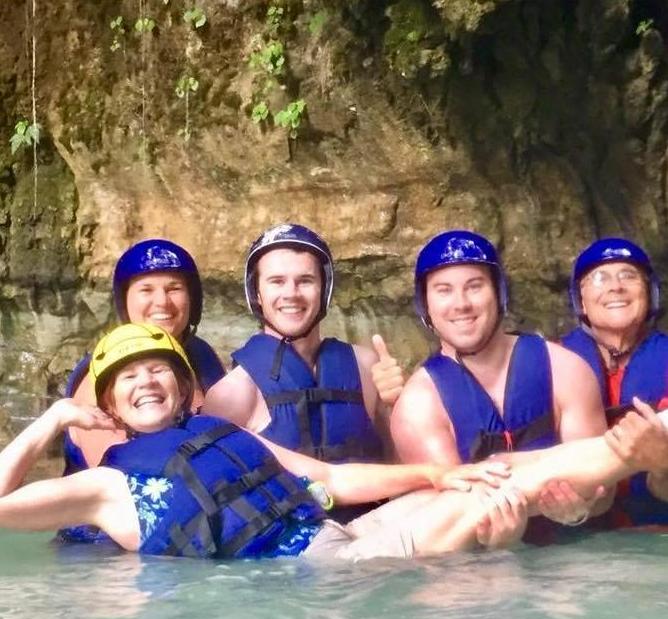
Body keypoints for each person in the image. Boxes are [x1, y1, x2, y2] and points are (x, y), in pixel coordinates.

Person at [0, 323, 663, 561]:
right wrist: (48, 423)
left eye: (158, 371)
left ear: (183, 389)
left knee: (486, 473)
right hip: (316, 577)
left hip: (340, 538)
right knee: (491, 499)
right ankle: (633, 450)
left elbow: (335, 482)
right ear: (109, 406)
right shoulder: (101, 490)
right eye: (129, 379)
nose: (147, 383)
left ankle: (634, 448)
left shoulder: (221, 434)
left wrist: (437, 477)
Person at [391, 229, 612, 546]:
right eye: (443, 290)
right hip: (477, 573)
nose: (461, 304)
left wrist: (581, 509)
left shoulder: (566, 369)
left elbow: (603, 490)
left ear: (499, 293)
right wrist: (499, 548)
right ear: (426, 305)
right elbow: (446, 526)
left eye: (474, 286)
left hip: (574, 551)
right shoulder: (418, 406)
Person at [202, 223, 405, 519]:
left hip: (372, 536)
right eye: (277, 281)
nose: (291, 294)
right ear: (256, 293)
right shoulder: (231, 393)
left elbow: (400, 472)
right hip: (290, 553)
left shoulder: (366, 366)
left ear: (324, 289)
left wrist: (397, 408)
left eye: (305, 281)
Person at [63, 239, 225, 474]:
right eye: (146, 290)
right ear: (125, 301)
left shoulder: (201, 354)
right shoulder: (101, 376)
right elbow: (117, 477)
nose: (162, 302)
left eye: (174, 289)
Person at [561, 237, 668, 523]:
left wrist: (662, 466)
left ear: (650, 293)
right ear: (580, 299)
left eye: (628, 276)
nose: (615, 286)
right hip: (578, 539)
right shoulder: (553, 364)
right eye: (599, 278)